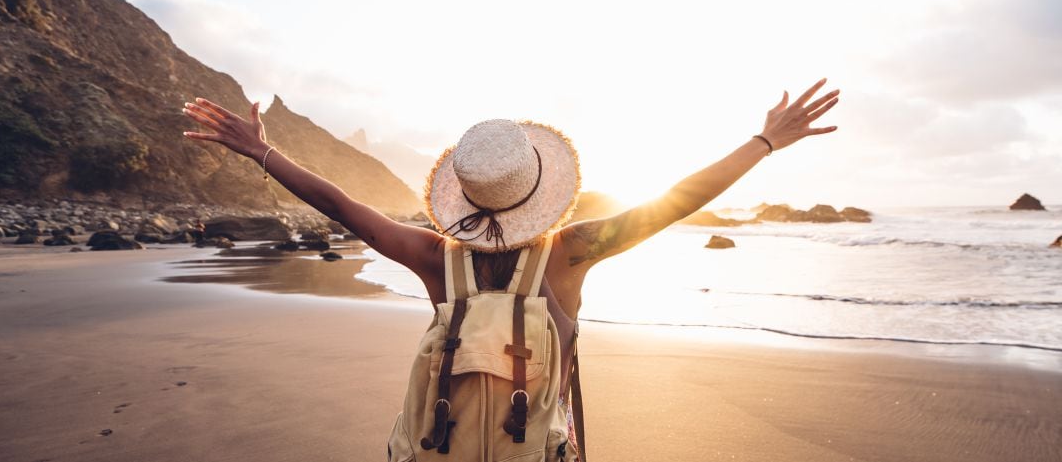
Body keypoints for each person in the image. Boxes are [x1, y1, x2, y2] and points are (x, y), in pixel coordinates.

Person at [181, 77, 839, 457]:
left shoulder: (436, 257)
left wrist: (263, 154)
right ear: (542, 189)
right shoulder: (571, 252)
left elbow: (344, 205)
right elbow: (674, 202)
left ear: (465, 198)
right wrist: (764, 142)